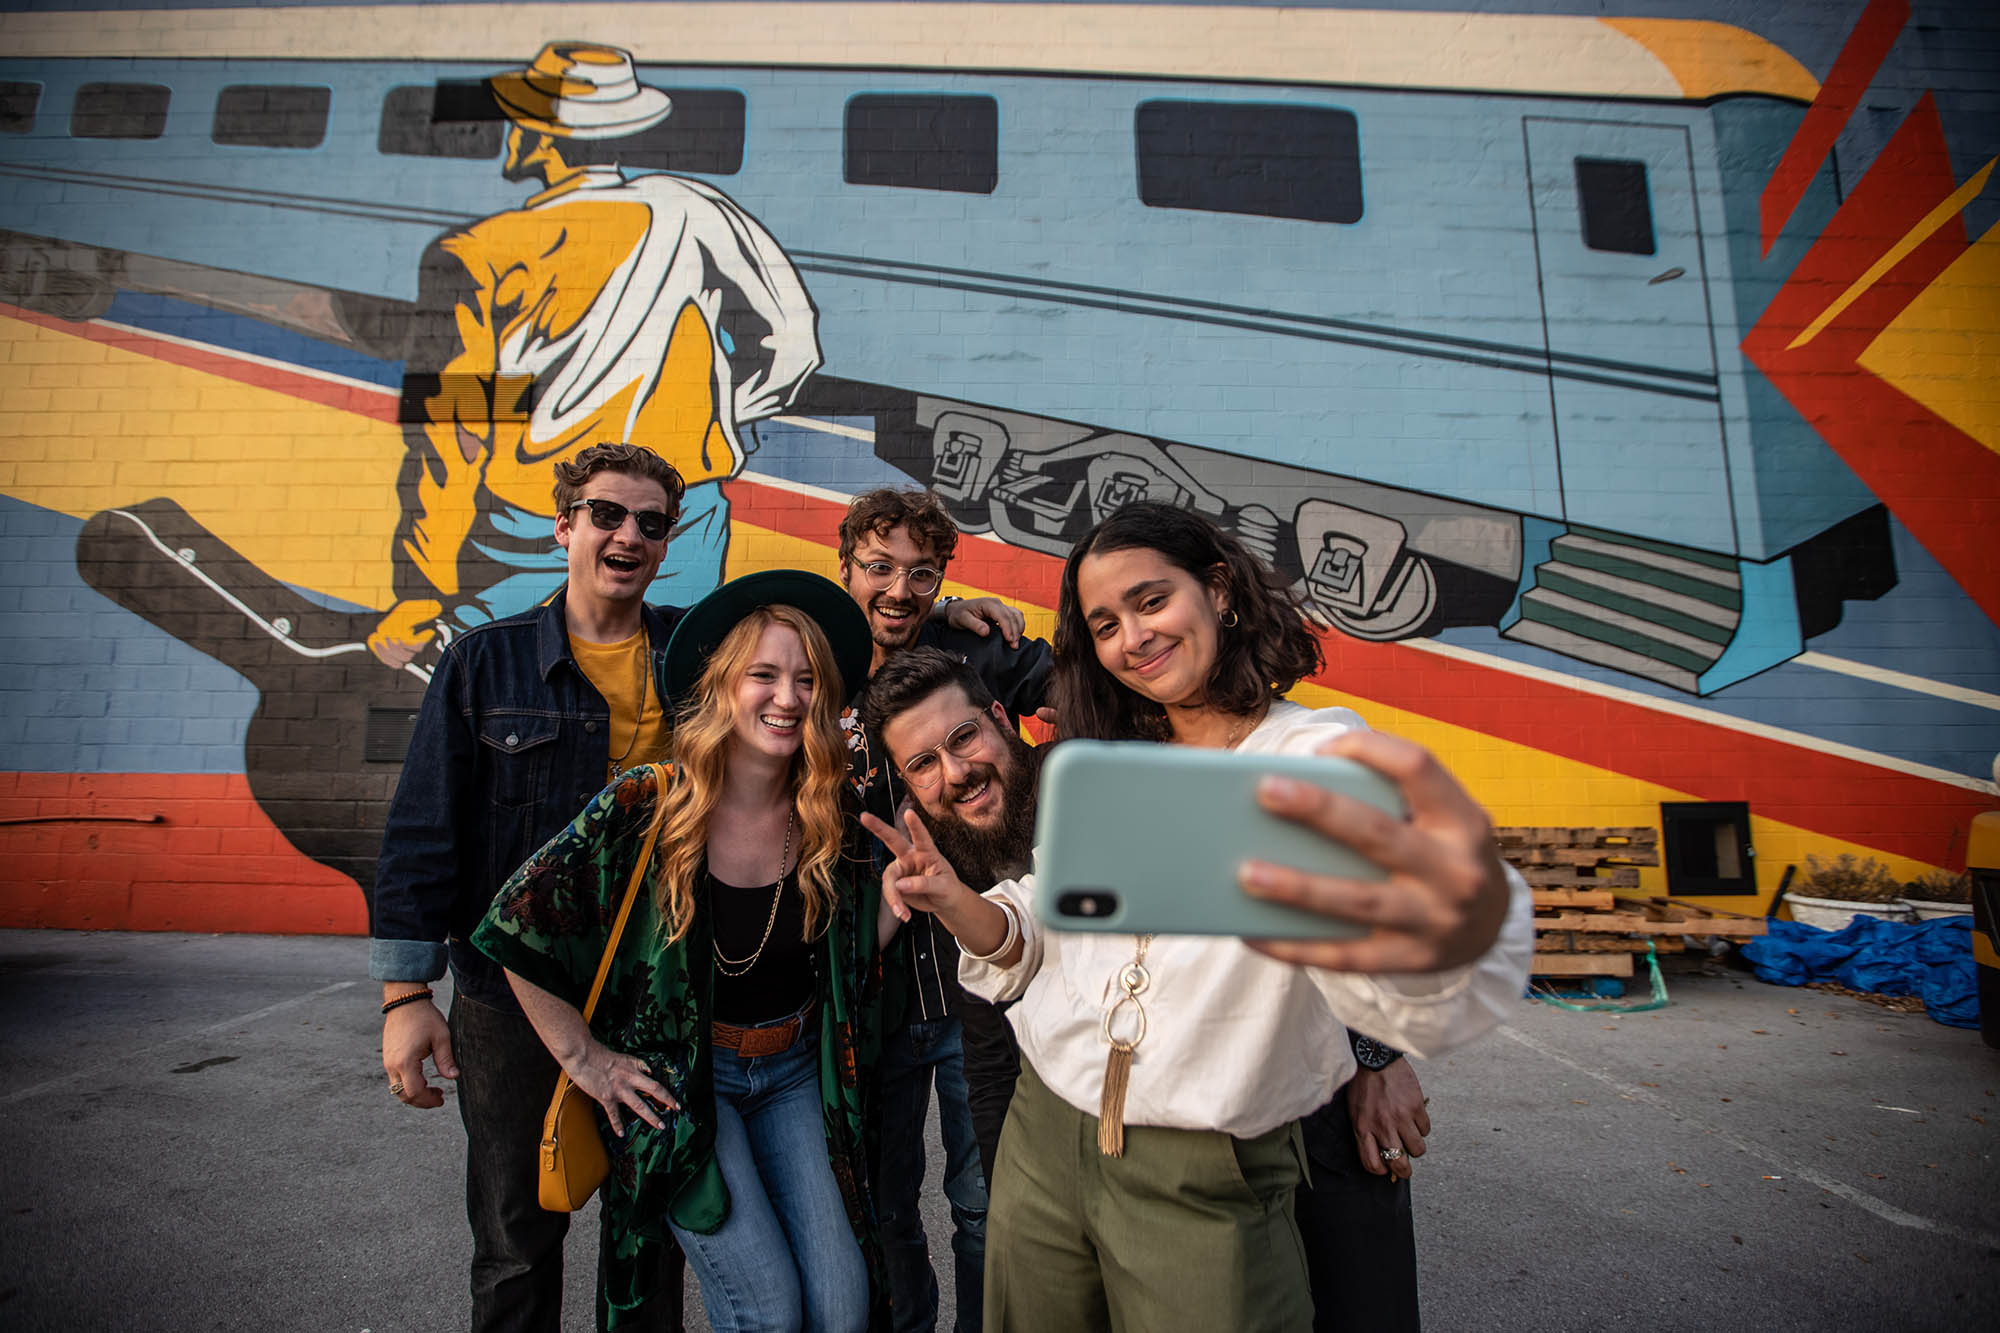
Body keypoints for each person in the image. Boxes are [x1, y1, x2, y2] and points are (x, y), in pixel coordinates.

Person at [862, 502, 1535, 1331]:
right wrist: (961, 908)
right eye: (1105, 623)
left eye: (1151, 602)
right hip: (1053, 1128)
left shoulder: (1310, 751)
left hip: (1212, 1146)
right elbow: (1041, 921)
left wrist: (1386, 1031)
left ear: (1218, 590)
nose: (1132, 638)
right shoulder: (1109, 760)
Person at [471, 570, 883, 1329]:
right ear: (721, 686)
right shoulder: (644, 806)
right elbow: (512, 925)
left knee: (842, 1307)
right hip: (689, 1089)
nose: (787, 698)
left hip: (793, 1074)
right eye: (763, 674)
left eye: (806, 679)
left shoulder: (833, 813)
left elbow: (846, 949)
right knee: (767, 1309)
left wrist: (910, 898)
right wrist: (583, 1058)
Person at [372, 442, 691, 1330]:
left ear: (666, 543)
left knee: (651, 1238)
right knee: (517, 1239)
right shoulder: (486, 664)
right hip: (508, 1001)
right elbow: (423, 830)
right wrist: (406, 994)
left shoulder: (700, 660)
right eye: (606, 513)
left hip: (654, 991)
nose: (629, 533)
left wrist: (955, 613)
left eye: (651, 522)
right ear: (565, 526)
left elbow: (820, 663)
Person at [368, 42, 820, 669]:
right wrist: (713, 417)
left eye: (522, 119)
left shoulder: (478, 252)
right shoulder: (694, 212)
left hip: (534, 530)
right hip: (682, 522)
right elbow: (791, 344)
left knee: (516, 698)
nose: (511, 133)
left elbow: (454, 435)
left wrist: (419, 592)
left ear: (543, 138)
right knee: (676, 695)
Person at [836, 488, 1050, 1331]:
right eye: (879, 567)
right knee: (885, 1207)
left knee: (984, 1200)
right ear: (844, 563)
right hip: (875, 985)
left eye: (923, 573)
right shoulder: (812, 658)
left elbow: (1085, 687)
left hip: (983, 979)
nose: (899, 589)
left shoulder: (979, 655)